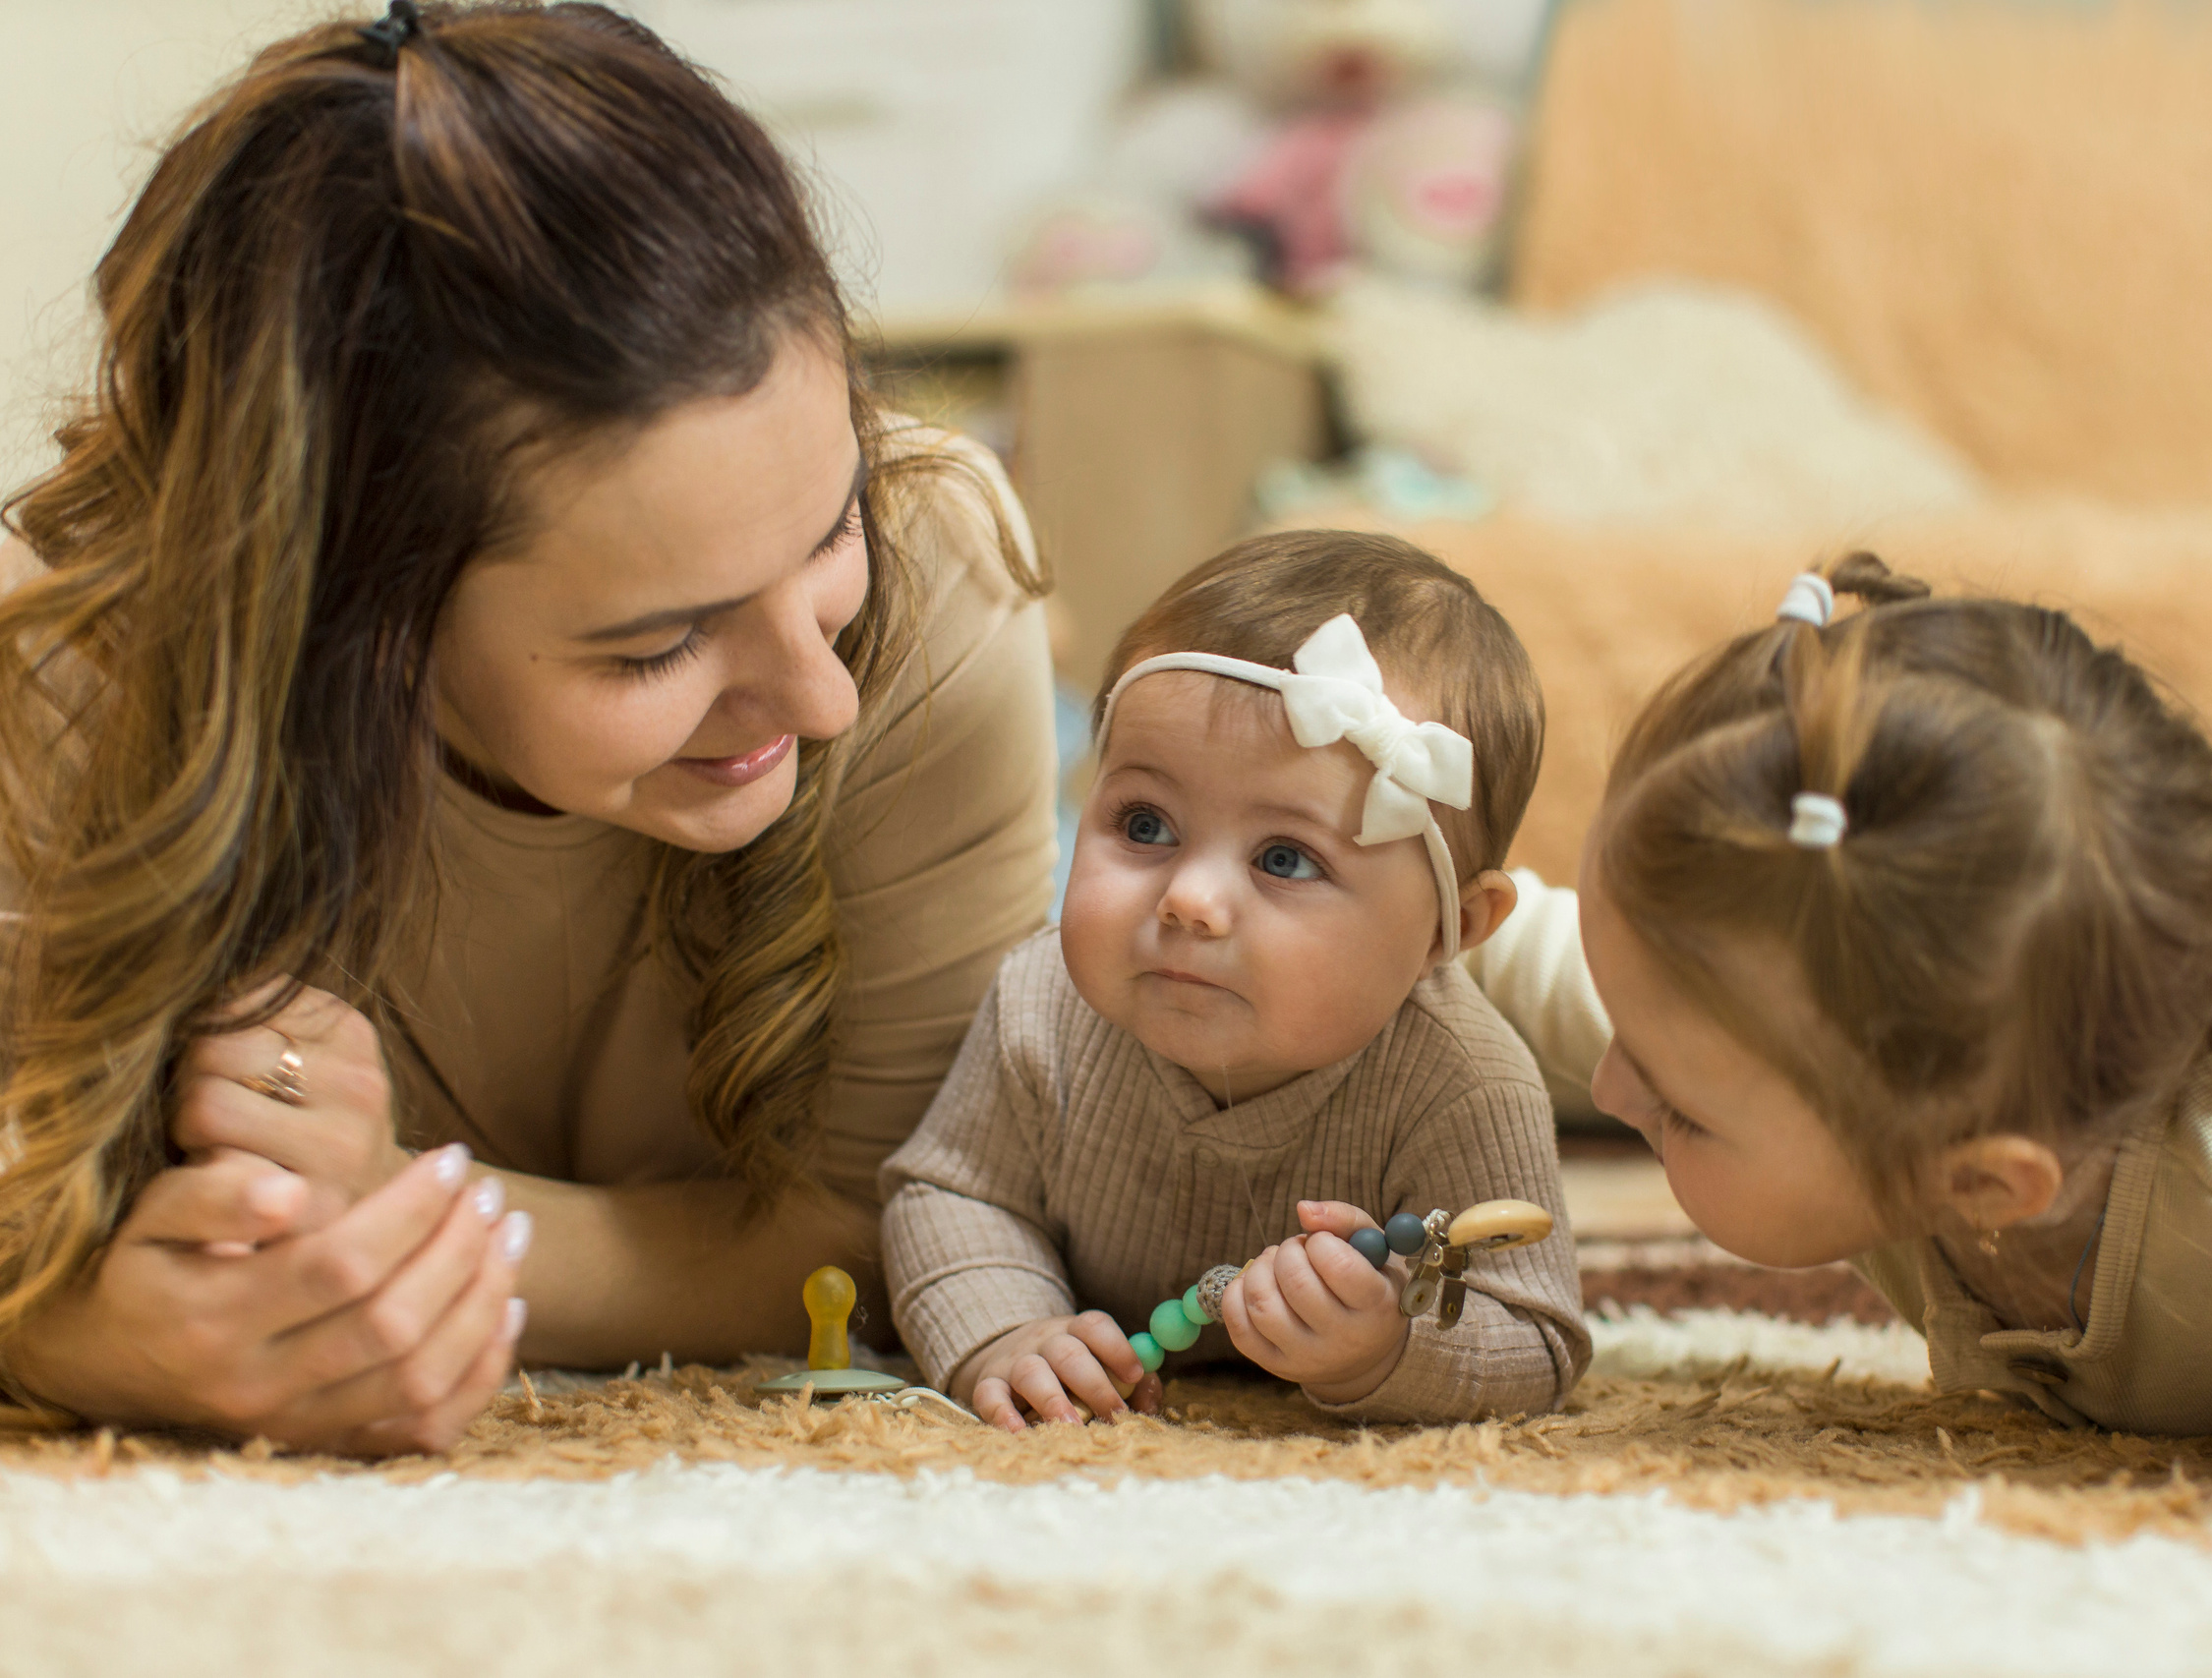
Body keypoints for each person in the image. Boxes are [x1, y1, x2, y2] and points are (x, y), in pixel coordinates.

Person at [0, 3, 1056, 1454]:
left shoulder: (938, 573)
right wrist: (93, 1336)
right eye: (660, 644)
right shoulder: (71, 678)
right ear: (346, 612)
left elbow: (905, 1221)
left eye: (829, 535)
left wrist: (406, 1210)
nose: (825, 696)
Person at [1575, 554, 2212, 1510]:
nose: (1610, 1087)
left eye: (1682, 1112)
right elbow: (1523, 961)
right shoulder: (1855, 1049)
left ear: (1982, 1182)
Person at [880, 533, 1590, 1431]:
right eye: (1144, 824)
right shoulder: (1040, 1003)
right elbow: (952, 1193)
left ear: (1451, 932)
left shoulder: (1464, 1084)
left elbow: (1538, 1338)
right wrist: (1006, 1329)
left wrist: (1391, 1349)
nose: (1189, 899)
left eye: (1285, 857)